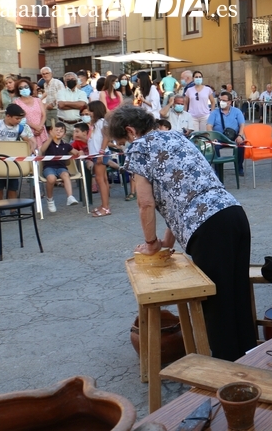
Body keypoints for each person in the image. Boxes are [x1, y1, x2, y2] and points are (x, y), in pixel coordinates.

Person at [107, 105, 256, 361]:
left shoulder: (139, 147)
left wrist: (151, 243)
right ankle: (250, 358)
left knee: (216, 303)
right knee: (237, 293)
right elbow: (179, 196)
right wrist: (166, 241)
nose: (123, 148)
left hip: (208, 226)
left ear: (130, 131)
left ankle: (228, 373)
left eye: (121, 142)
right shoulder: (174, 136)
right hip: (232, 213)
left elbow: (146, 203)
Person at [0, 104, 36, 202]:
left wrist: (31, 148)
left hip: (13, 160)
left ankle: (13, 209)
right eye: (17, 118)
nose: (19, 121)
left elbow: (28, 141)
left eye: (20, 119)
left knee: (12, 187)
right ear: (8, 116)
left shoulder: (20, 128)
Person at [40, 122, 81, 212]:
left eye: (61, 131)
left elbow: (76, 153)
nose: (58, 132)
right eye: (56, 130)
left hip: (61, 167)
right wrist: (50, 138)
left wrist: (80, 152)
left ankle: (70, 197)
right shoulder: (47, 143)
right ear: (51, 131)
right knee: (51, 179)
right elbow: (42, 150)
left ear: (64, 134)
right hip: (49, 167)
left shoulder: (66, 145)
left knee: (66, 175)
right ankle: (50, 200)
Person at [207, 91, 247, 176]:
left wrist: (240, 135)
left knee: (241, 145)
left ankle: (239, 167)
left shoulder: (237, 111)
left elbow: (242, 125)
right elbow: (209, 126)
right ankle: (218, 170)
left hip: (233, 136)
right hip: (219, 137)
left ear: (230, 102)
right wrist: (212, 136)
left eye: (224, 100)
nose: (221, 102)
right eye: (220, 100)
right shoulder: (214, 112)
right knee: (214, 146)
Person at [13, 78, 48, 149]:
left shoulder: (38, 100)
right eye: (21, 88)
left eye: (26, 87)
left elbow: (43, 115)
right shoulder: (16, 102)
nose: (24, 89)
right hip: (27, 133)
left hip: (41, 131)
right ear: (18, 90)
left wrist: (40, 127)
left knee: (43, 155)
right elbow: (20, 118)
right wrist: (35, 127)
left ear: (30, 87)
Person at [56, 72, 88, 142]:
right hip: (63, 124)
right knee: (62, 147)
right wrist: (77, 105)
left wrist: (66, 103)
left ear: (76, 80)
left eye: (72, 79)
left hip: (78, 123)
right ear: (65, 82)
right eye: (68, 80)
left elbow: (82, 105)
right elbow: (61, 105)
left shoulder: (82, 93)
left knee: (79, 146)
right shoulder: (60, 92)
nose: (70, 80)